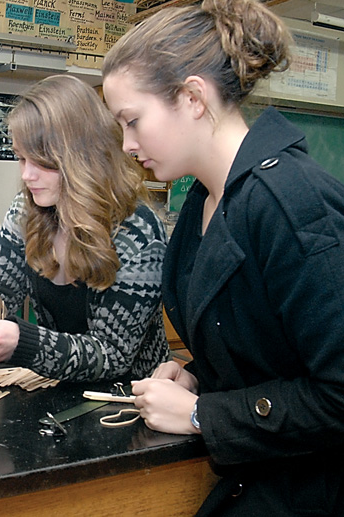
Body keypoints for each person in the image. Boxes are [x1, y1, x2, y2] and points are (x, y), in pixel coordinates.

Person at [102, 0, 344, 513]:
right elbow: (269, 347)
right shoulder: (204, 203)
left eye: (133, 121)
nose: (126, 144)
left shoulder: (293, 202)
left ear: (192, 97)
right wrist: (198, 373)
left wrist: (201, 415)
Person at [0, 75, 169, 383]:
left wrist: (23, 343)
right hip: (60, 388)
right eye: (21, 158)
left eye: (41, 162)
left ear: (83, 159)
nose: (26, 175)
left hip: (132, 401)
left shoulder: (138, 233)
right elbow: (0, 292)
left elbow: (113, 356)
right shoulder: (26, 210)